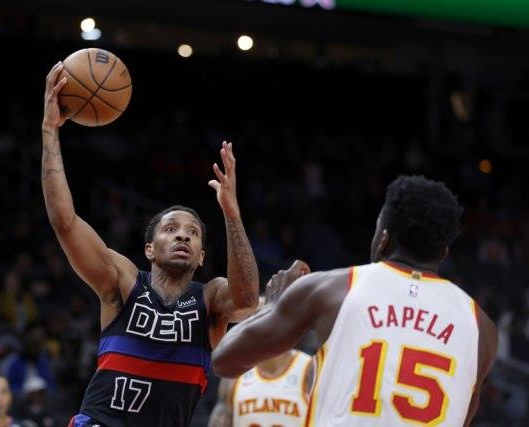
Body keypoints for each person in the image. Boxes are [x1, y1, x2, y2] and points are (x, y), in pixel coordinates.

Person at [41, 62, 259, 426]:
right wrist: (50, 130)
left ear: (201, 257)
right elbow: (65, 222)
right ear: (149, 249)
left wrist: (232, 213)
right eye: (171, 229)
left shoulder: (210, 300)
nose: (183, 235)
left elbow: (248, 300)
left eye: (193, 233)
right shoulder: (123, 283)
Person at [212, 176, 498, 426]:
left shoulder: (332, 289)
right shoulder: (481, 327)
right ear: (444, 253)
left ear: (383, 238)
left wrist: (274, 305)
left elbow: (225, 360)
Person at [208, 261, 314, 427]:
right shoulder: (234, 376)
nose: (262, 325)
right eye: (258, 317)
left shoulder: (309, 368)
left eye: (267, 317)